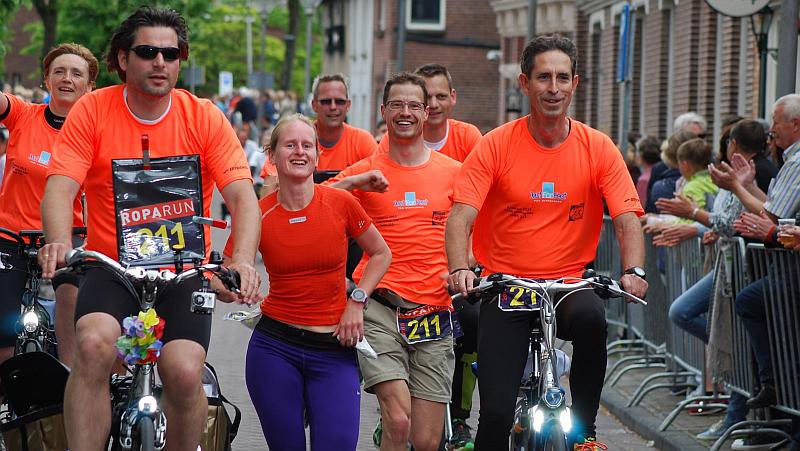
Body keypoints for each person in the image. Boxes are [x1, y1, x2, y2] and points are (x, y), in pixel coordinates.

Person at [37, 7, 261, 449]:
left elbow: (243, 199)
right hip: (113, 268)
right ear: (123, 59)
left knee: (182, 370)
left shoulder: (204, 117)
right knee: (94, 345)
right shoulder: (93, 110)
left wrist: (239, 260)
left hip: (184, 273)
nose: (161, 62)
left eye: (171, 53)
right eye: (147, 52)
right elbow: (60, 190)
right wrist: (59, 242)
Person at [445, 35, 648, 450]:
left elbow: (627, 219)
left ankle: (586, 432)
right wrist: (460, 269)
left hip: (568, 284)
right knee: (497, 415)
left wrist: (633, 271)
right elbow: (460, 217)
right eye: (543, 78)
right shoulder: (496, 145)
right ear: (524, 83)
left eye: (561, 77)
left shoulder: (597, 147)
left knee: (592, 320)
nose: (553, 88)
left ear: (575, 83)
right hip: (508, 287)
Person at [221, 114, 391, 450]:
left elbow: (381, 254)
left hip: (333, 349)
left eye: (307, 145)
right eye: (290, 145)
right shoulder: (259, 213)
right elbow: (225, 276)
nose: (299, 152)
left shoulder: (341, 203)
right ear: (272, 156)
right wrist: (234, 286)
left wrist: (357, 300)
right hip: (274, 349)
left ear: (316, 155)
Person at [327, 72, 461, 451]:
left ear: (428, 112)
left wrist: (466, 269)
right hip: (380, 307)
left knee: (427, 440)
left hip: (434, 309)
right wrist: (354, 185)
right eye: (397, 105)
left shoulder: (452, 172)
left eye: (415, 105)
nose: (406, 112)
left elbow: (475, 228)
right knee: (399, 419)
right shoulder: (366, 169)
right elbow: (309, 202)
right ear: (384, 111)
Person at [0, 43, 98, 368]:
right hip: (10, 238)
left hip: (70, 240)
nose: (66, 78)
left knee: (72, 306)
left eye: (76, 73)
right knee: (3, 337)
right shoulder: (24, 115)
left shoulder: (96, 134)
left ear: (90, 85)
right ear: (46, 80)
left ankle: (71, 384)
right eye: (59, 71)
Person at [378, 64, 482, 164]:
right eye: (427, 97)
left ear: (453, 97)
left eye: (441, 96)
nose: (433, 104)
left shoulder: (468, 137)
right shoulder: (392, 139)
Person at [311, 73, 377, 174]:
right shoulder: (300, 140)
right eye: (326, 101)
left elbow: (380, 180)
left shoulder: (363, 142)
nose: (333, 107)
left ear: (348, 105)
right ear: (314, 105)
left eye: (339, 101)